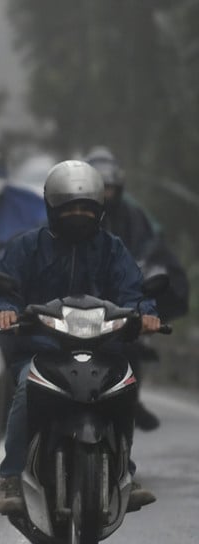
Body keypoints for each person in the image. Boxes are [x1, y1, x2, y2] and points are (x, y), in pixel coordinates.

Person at [0, 160, 161, 515]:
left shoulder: (112, 249)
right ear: (52, 207)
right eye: (69, 208)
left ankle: (125, 470)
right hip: (40, 347)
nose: (78, 214)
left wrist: (146, 313)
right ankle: (11, 476)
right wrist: (3, 310)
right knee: (24, 390)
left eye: (86, 208)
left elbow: (134, 291)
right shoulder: (27, 247)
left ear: (99, 210)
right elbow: (1, 289)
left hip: (103, 348)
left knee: (124, 388)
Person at [85, 146, 189, 431]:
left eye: (110, 188)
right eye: (99, 188)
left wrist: (145, 275)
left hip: (122, 298)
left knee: (132, 345)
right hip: (76, 299)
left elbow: (151, 249)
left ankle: (129, 403)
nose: (105, 194)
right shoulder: (70, 212)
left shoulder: (133, 215)